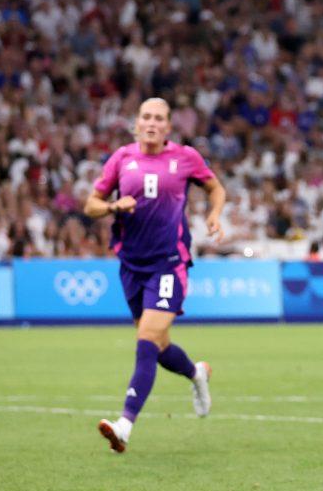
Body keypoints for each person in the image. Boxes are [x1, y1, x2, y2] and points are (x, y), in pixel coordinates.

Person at [84, 97, 226, 453]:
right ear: (136, 123)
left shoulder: (185, 157)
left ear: (168, 126)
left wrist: (214, 214)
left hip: (169, 263)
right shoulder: (122, 158)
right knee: (158, 346)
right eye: (146, 116)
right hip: (132, 265)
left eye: (159, 118)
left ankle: (125, 426)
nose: (151, 123)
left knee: (146, 337)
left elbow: (215, 187)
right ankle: (197, 374)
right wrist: (114, 206)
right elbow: (91, 204)